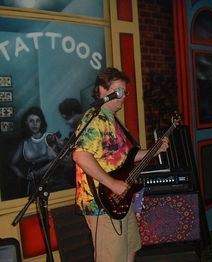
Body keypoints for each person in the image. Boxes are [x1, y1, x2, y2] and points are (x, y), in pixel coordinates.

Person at [72, 67, 169, 262]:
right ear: (101, 90)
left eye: (124, 92)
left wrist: (155, 150)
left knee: (129, 249)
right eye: (118, 91)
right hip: (101, 201)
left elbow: (127, 158)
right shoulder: (95, 119)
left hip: (120, 199)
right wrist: (112, 183)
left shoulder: (113, 121)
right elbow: (80, 155)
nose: (123, 96)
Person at [10, 106, 64, 195]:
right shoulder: (24, 142)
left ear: (41, 122)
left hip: (52, 178)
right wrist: (22, 177)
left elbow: (58, 159)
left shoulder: (49, 137)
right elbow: (13, 164)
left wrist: (38, 173)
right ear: (26, 123)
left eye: (37, 120)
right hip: (34, 181)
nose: (35, 124)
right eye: (31, 121)